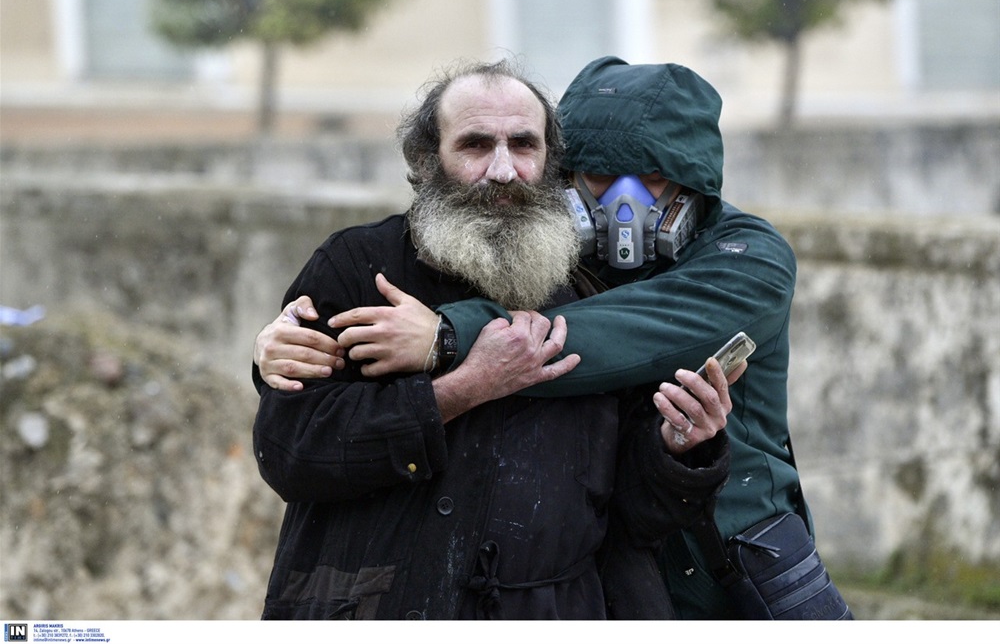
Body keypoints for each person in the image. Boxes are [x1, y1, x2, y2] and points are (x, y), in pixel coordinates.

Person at [256, 56, 802, 620]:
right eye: (473, 145)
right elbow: (291, 451)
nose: (503, 170)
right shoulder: (358, 267)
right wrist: (459, 389)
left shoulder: (591, 288)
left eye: (523, 145)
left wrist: (683, 449)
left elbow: (630, 510)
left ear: (548, 162)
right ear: (425, 159)